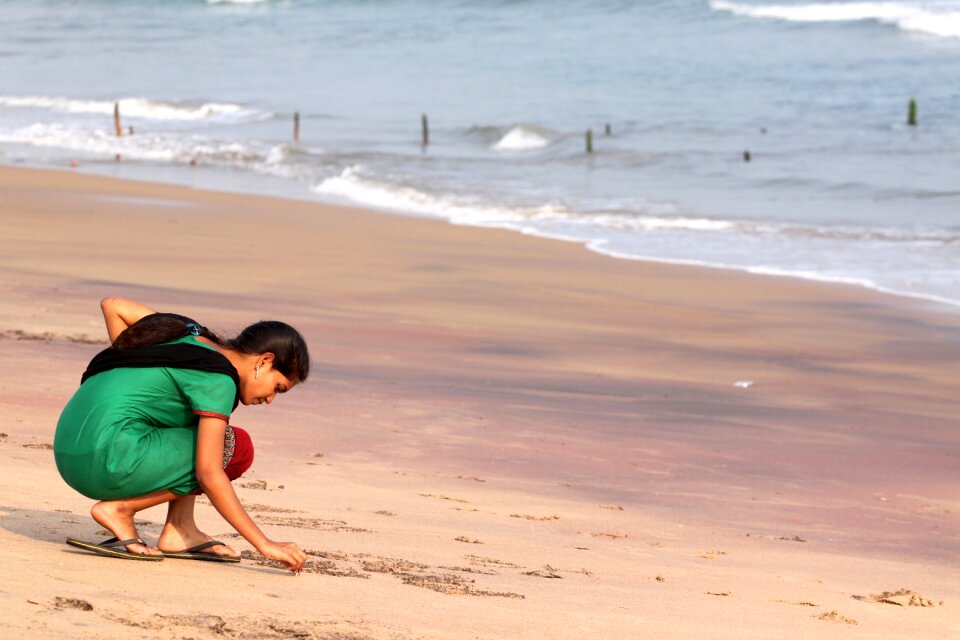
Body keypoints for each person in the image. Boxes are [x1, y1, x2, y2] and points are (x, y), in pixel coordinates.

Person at [54, 297, 309, 573]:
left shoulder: (182, 332)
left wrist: (132, 361)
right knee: (236, 447)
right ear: (264, 361)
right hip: (106, 459)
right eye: (278, 388)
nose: (271, 399)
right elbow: (209, 473)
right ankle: (121, 509)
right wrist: (264, 544)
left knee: (192, 423)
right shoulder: (218, 379)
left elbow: (113, 305)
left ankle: (180, 530)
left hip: (68, 451)